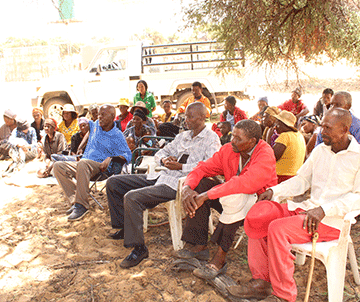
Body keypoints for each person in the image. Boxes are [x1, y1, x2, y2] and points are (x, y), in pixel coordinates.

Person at [228, 108, 360, 302]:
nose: (322, 131)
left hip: (332, 222)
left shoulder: (357, 158)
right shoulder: (320, 151)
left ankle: (284, 295)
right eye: (322, 125)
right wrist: (275, 191)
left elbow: (357, 197)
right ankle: (261, 283)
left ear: (345, 129)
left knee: (277, 229)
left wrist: (324, 209)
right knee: (257, 217)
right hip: (307, 210)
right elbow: (302, 181)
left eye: (328, 127)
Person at [105, 102, 221, 269]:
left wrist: (182, 167)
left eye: (190, 117)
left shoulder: (211, 138)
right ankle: (124, 227)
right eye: (185, 116)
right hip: (161, 175)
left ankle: (139, 248)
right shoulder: (183, 136)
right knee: (114, 182)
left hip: (179, 184)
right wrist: (165, 160)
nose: (186, 120)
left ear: (203, 117)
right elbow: (161, 152)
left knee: (132, 197)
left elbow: (210, 166)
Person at [174, 120, 277, 280]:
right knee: (201, 184)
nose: (232, 141)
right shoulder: (229, 149)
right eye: (232, 136)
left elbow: (245, 183)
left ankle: (220, 259)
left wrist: (206, 195)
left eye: (238, 138)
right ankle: (198, 244)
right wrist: (188, 187)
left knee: (236, 197)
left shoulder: (265, 154)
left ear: (252, 142)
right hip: (232, 199)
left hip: (259, 205)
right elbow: (202, 168)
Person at [53, 105, 132, 221]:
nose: (99, 117)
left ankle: (82, 206)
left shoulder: (117, 135)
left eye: (103, 114)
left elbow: (128, 155)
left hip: (100, 168)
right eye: (99, 114)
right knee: (58, 166)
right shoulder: (95, 125)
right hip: (83, 164)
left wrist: (112, 157)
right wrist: (80, 147)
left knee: (83, 164)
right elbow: (88, 132)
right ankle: (75, 201)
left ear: (112, 117)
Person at [272, 111, 306, 183]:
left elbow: (272, 157)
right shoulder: (299, 135)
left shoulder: (285, 136)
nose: (275, 127)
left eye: (277, 124)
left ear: (283, 124)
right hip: (295, 177)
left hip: (281, 178)